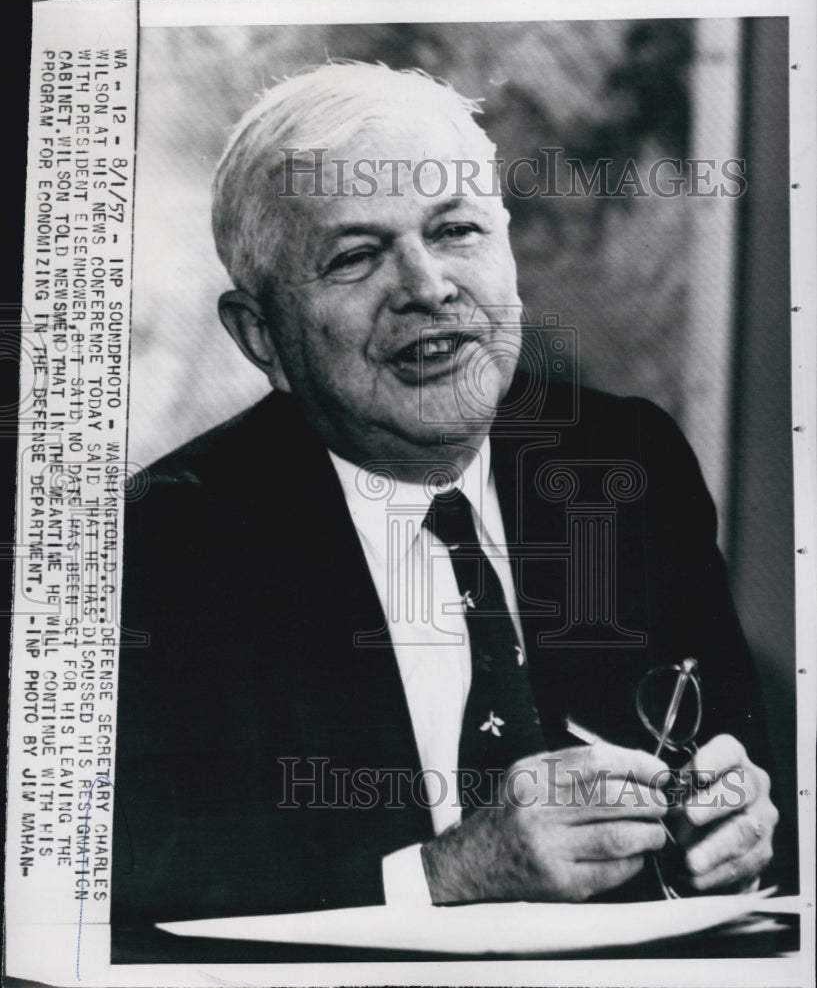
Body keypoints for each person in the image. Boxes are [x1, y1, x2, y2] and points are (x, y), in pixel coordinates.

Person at [112, 62, 778, 934]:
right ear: (260, 336)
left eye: (456, 230)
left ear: (507, 257)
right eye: (355, 256)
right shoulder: (160, 540)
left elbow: (732, 754)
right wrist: (443, 875)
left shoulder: (626, 464)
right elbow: (129, 875)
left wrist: (736, 820)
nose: (427, 288)